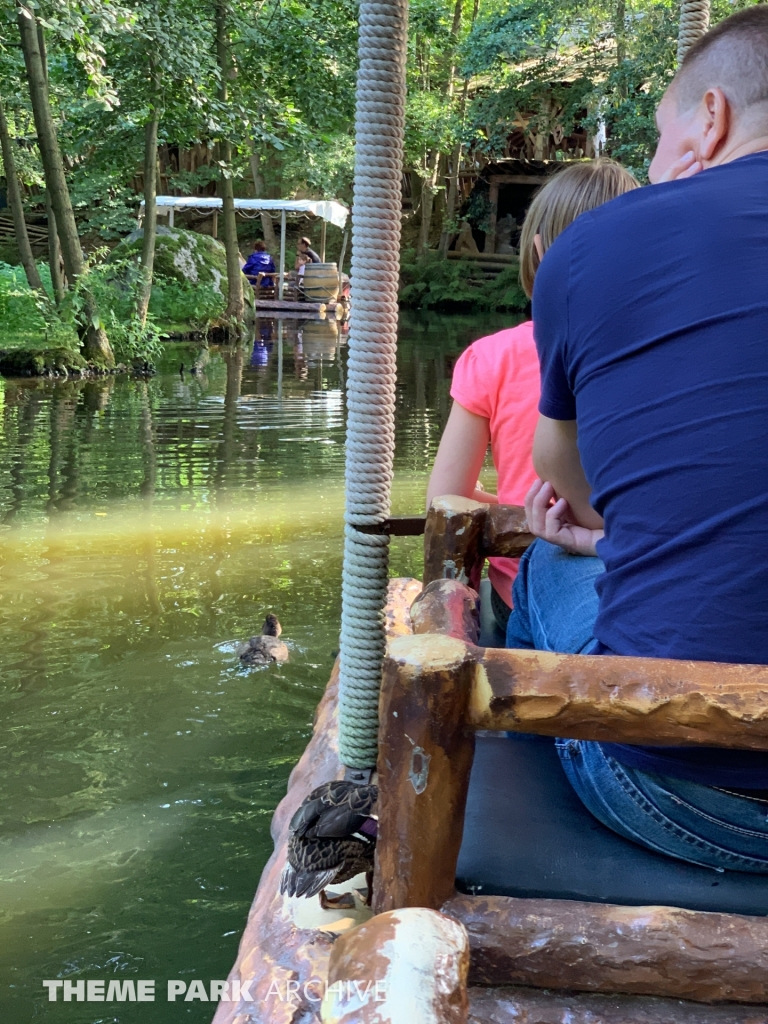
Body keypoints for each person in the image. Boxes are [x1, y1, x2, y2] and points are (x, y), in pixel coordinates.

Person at [508, 6, 768, 872]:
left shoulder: (595, 247)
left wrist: (611, 535)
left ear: (711, 119)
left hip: (697, 794)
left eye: (658, 140)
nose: (654, 169)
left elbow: (564, 481)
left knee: (553, 557)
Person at [426, 160, 639, 631]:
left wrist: (518, 503)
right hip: (640, 577)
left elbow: (445, 496)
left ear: (539, 250)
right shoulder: (661, 352)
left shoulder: (491, 357)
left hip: (522, 585)